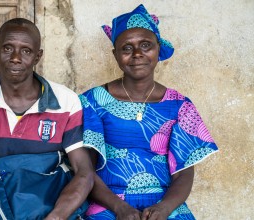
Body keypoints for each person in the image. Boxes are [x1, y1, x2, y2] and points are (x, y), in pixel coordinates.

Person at [0, 18, 94, 220]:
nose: (16, 57)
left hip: (49, 204)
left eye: (26, 51)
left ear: (37, 56)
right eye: (7, 48)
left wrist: (57, 217)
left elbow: (84, 173)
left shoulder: (66, 102)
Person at [79, 4, 219, 220]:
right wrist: (119, 207)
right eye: (126, 48)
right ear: (115, 54)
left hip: (164, 202)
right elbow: (84, 169)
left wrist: (164, 208)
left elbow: (184, 171)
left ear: (157, 48)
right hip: (107, 201)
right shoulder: (92, 101)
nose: (137, 54)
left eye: (145, 45)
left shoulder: (179, 105)